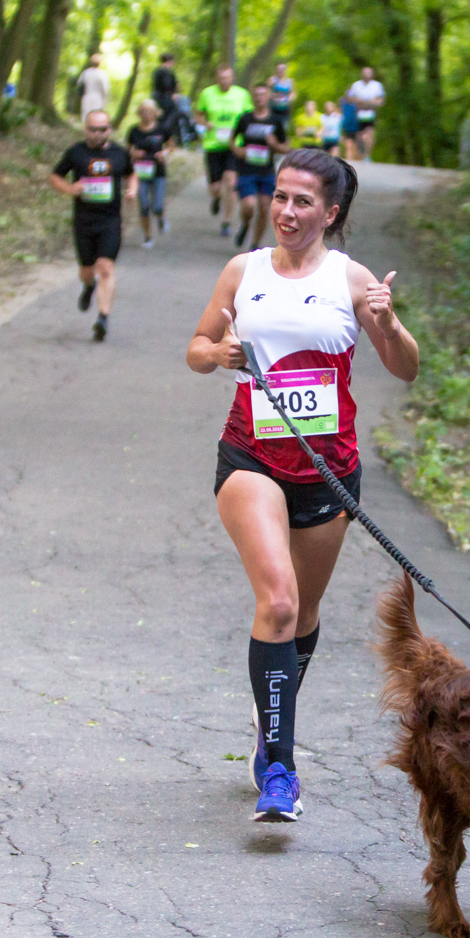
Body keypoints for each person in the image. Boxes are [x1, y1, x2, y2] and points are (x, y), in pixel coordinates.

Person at [186, 149, 418, 823]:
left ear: (331, 212)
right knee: (280, 602)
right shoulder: (244, 270)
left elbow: (405, 367)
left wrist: (389, 321)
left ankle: (269, 723)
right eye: (281, 197)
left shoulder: (352, 279)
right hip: (251, 455)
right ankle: (280, 770)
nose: (286, 212)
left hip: (327, 468)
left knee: (304, 615)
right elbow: (197, 347)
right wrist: (218, 353)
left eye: (303, 202)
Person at [49, 109, 136, 342]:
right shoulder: (76, 152)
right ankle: (89, 286)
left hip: (110, 220)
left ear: (110, 129)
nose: (98, 134)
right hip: (84, 220)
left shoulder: (119, 153)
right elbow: (55, 177)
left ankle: (103, 319)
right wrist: (70, 189)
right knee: (87, 271)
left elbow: (131, 174)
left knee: (105, 267)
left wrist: (132, 189)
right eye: (93, 129)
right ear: (85, 129)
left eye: (102, 129)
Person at [194, 65, 252, 238]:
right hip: (213, 145)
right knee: (215, 187)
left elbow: (249, 116)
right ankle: (216, 197)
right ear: (216, 78)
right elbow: (198, 115)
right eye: (221, 78)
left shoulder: (242, 95)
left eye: (227, 78)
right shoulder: (207, 94)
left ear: (232, 78)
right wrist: (205, 123)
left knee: (231, 182)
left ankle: (226, 221)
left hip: (234, 144)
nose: (224, 81)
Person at [229, 83, 289, 250]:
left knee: (264, 208)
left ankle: (255, 244)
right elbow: (232, 139)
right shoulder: (245, 118)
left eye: (263, 95)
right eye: (256, 95)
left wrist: (275, 144)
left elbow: (285, 147)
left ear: (268, 97)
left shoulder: (275, 120)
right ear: (253, 98)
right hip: (246, 169)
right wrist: (238, 151)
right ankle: (245, 225)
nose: (260, 98)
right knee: (249, 205)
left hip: (266, 171)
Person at [127, 99, 172, 248]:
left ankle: (161, 217)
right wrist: (134, 153)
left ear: (154, 113)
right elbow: (129, 149)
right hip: (140, 172)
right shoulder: (134, 131)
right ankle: (147, 236)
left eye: (149, 111)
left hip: (158, 171)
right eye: (143, 111)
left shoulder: (162, 129)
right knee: (144, 205)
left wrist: (164, 153)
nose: (146, 114)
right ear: (139, 113)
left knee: (157, 206)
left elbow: (171, 146)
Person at [346, 66, 385, 161]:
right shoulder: (356, 85)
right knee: (359, 135)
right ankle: (360, 153)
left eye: (368, 73)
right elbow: (349, 98)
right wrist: (359, 101)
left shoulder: (377, 85)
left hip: (370, 112)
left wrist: (368, 103)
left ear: (372, 74)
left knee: (370, 133)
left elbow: (380, 101)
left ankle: (367, 155)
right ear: (361, 74)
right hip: (358, 113)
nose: (366, 75)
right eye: (365, 73)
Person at [79, 53, 111, 119]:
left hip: (87, 97)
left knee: (86, 117)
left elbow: (80, 85)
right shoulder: (102, 74)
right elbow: (105, 89)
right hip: (98, 98)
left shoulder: (85, 73)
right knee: (96, 117)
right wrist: (105, 100)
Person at [338, 91, 360, 161]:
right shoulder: (343, 104)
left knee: (356, 146)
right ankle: (350, 161)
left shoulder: (356, 105)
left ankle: (356, 160)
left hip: (356, 127)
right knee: (348, 145)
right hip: (347, 127)